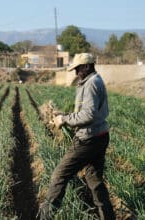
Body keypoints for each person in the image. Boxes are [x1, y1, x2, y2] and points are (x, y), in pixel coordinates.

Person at [38, 53, 115, 220]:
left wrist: (64, 119)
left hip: (88, 140)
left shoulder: (91, 84)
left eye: (78, 69)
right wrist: (64, 115)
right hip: (99, 136)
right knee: (94, 181)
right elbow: (86, 113)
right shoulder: (94, 81)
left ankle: (45, 217)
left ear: (87, 66)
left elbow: (88, 115)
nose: (76, 73)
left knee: (60, 175)